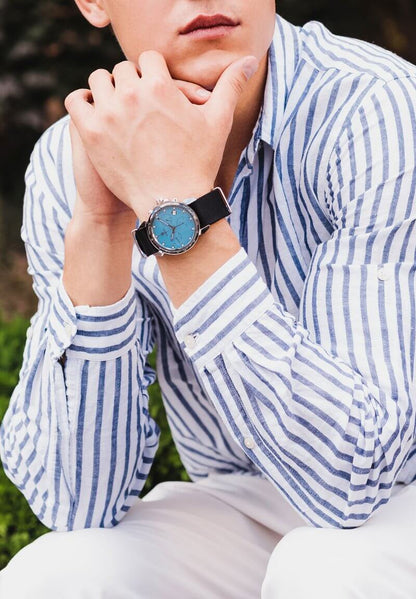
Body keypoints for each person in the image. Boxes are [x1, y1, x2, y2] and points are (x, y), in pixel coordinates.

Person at [1, 0, 416, 596]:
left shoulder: (377, 109)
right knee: (59, 575)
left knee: (330, 570)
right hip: (255, 500)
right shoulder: (69, 160)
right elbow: (75, 502)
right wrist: (101, 223)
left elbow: (354, 478)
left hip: (391, 485)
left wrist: (180, 208)